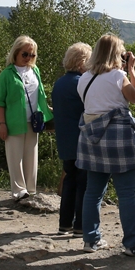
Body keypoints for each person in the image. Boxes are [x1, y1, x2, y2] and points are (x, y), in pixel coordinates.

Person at [77, 34, 135, 256]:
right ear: (116, 54)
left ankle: (91, 240)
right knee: (127, 193)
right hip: (118, 139)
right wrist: (132, 70)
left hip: (92, 138)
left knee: (93, 192)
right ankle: (132, 243)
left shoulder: (84, 78)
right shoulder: (119, 76)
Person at [0, 36, 53, 202]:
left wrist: (48, 111)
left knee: (31, 156)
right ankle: (19, 191)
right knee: (15, 157)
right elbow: (0, 102)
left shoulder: (35, 71)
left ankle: (30, 190)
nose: (28, 58)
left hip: (33, 120)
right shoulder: (7, 74)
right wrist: (2, 124)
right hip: (13, 121)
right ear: (16, 53)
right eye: (25, 54)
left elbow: (40, 94)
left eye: (32, 55)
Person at [52, 43, 91, 235]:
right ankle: (81, 225)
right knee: (84, 183)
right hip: (82, 141)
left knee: (69, 181)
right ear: (82, 62)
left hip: (65, 141)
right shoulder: (81, 83)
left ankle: (64, 223)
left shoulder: (59, 83)